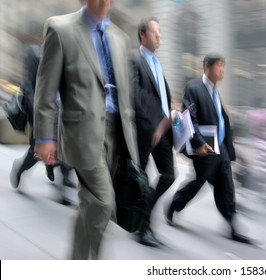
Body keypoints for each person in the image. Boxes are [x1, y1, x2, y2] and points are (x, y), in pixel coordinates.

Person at [33, 0, 139, 259]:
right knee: (104, 203)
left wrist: (134, 139)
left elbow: (125, 97)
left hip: (118, 133)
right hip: (81, 133)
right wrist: (45, 137)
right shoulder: (60, 29)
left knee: (92, 204)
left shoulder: (120, 39)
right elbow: (45, 90)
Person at [165, 53, 254, 244]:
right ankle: (174, 205)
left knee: (226, 186)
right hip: (204, 147)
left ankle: (232, 226)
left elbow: (221, 119)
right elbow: (191, 117)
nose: (222, 71)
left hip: (219, 148)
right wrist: (198, 144)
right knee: (198, 181)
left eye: (223, 67)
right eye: (218, 66)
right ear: (207, 67)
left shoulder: (214, 91)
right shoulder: (194, 87)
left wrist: (229, 148)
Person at [9, 44, 75, 205]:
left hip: (61, 111)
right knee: (36, 151)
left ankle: (62, 185)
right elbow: (28, 86)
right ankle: (19, 168)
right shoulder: (35, 54)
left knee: (67, 147)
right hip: (41, 112)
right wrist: (37, 112)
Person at [130, 17, 175, 247]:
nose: (159, 36)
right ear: (142, 36)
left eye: (160, 32)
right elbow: (136, 95)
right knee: (142, 178)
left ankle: (143, 216)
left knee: (169, 175)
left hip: (163, 131)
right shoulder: (134, 60)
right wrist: (158, 120)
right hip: (146, 129)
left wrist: (172, 113)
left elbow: (162, 97)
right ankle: (143, 228)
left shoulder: (157, 63)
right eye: (155, 32)